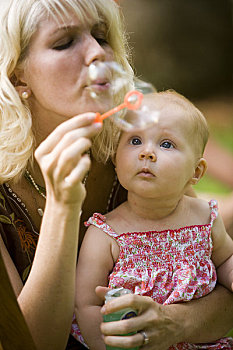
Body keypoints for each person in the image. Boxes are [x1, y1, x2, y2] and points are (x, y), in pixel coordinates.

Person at [0, 0, 232, 349]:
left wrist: (173, 323)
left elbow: (221, 295)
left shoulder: (132, 151)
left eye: (101, 36)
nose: (96, 53)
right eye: (65, 42)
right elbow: (31, 344)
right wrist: (63, 206)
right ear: (17, 74)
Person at [74, 90, 233, 349]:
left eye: (166, 144)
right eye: (135, 141)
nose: (147, 153)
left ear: (196, 171)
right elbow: (86, 303)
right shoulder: (106, 233)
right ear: (115, 158)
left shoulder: (205, 217)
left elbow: (226, 258)